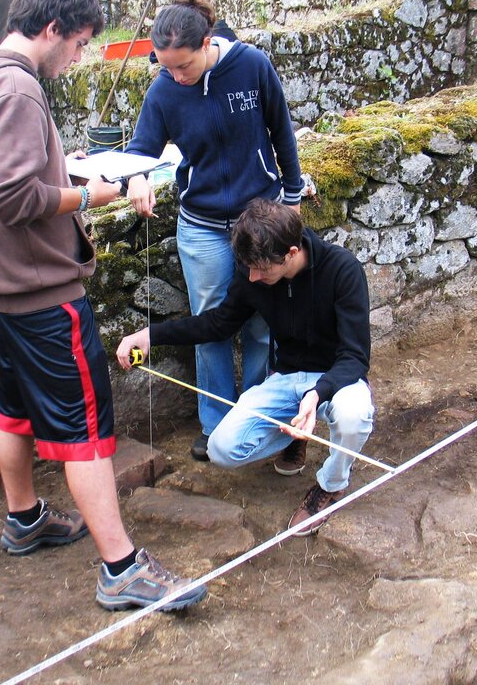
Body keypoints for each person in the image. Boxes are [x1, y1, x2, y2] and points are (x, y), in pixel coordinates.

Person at [0, 0, 206, 612]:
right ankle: (122, 569)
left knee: (14, 406)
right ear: (54, 29)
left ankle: (25, 519)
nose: (81, 56)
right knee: (85, 426)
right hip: (40, 289)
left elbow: (4, 173)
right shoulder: (17, 91)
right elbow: (5, 194)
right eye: (82, 42)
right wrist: (99, 190)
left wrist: (69, 168)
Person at [117, 199, 374, 535]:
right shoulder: (252, 271)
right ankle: (290, 438)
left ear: (292, 252)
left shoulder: (342, 270)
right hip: (287, 376)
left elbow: (355, 357)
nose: (252, 277)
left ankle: (331, 484)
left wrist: (317, 394)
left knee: (354, 417)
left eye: (261, 269)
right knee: (221, 449)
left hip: (337, 378)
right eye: (248, 267)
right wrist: (151, 334)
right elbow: (218, 324)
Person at [123, 0, 304, 464]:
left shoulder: (252, 66)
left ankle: (262, 418)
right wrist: (138, 176)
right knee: (211, 328)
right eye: (166, 67)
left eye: (183, 66)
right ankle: (217, 424)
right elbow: (141, 149)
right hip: (201, 225)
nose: (176, 76)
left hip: (259, 220)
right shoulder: (164, 89)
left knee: (264, 324)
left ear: (207, 42)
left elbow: (282, 130)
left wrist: (293, 194)